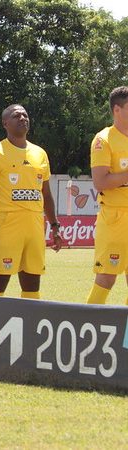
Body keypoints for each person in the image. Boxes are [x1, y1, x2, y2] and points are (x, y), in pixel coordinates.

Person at [0, 104, 63, 298]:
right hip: (6, 226)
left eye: (25, 114)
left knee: (32, 283)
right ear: (5, 123)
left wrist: (55, 226)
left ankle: (30, 326)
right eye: (17, 115)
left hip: (33, 226)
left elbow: (46, 195)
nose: (23, 118)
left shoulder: (40, 153)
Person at [86, 86, 128, 305]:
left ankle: (126, 339)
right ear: (117, 110)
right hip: (114, 218)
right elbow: (100, 181)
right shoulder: (103, 139)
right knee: (106, 278)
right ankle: (86, 333)